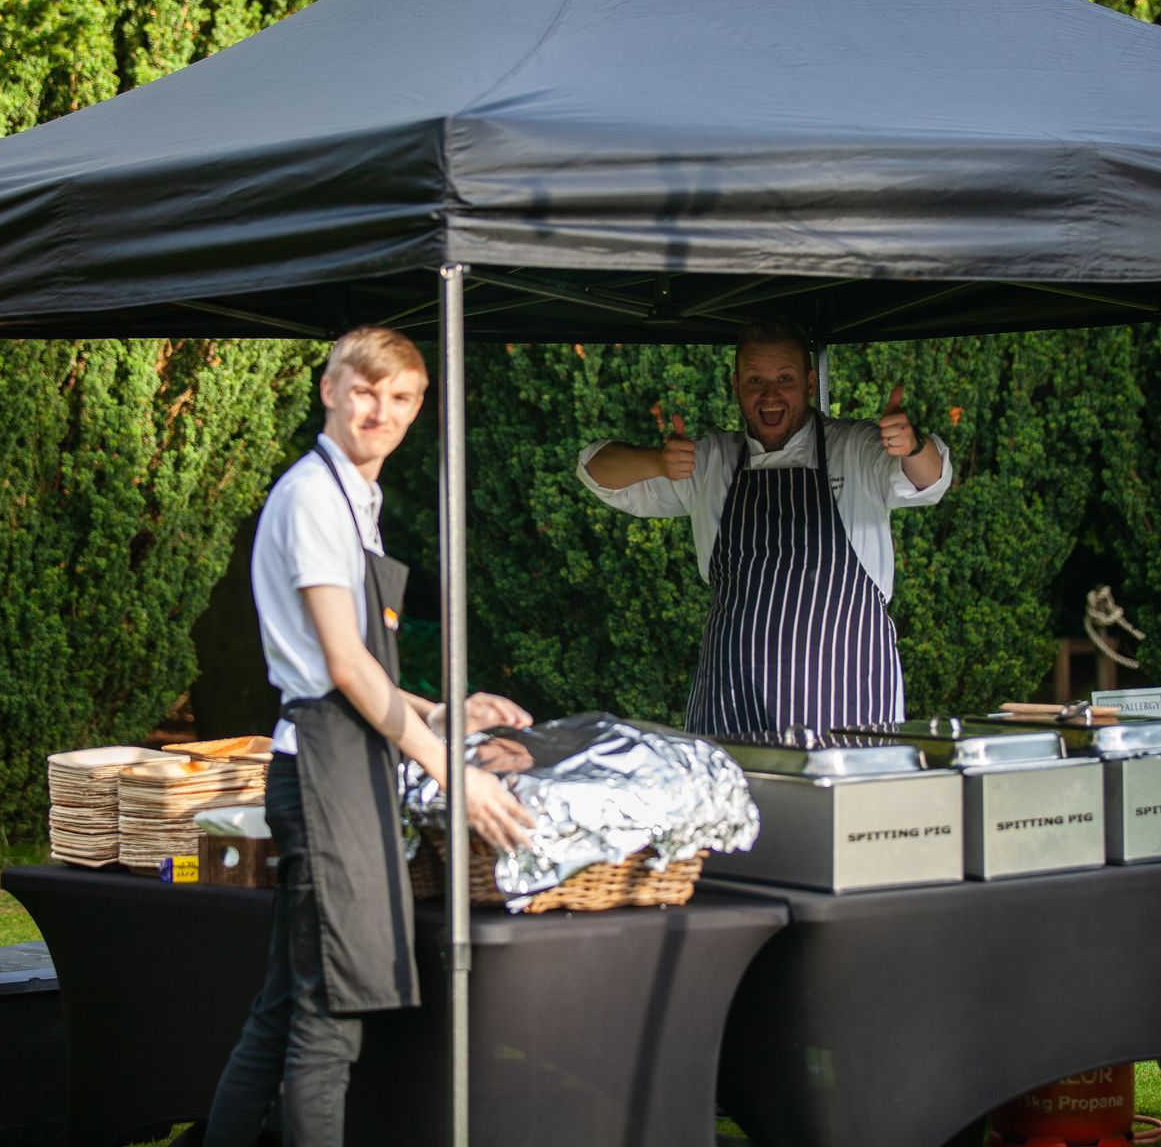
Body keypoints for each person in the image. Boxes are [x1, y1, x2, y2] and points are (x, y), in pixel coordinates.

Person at [204, 326, 537, 1147]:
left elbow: (355, 669)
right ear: (328, 389)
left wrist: (446, 710)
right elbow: (346, 673)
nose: (378, 411)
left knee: (283, 1006)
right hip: (322, 774)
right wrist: (458, 778)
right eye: (363, 391)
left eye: (398, 398)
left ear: (419, 408)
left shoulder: (356, 494)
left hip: (341, 763)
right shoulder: (315, 498)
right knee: (329, 1025)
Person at [577, 321, 951, 736]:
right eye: (756, 380)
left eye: (785, 379)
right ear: (736, 385)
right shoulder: (712, 460)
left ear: (810, 383)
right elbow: (595, 470)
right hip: (732, 699)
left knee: (839, 802)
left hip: (844, 698)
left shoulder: (856, 448)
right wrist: (656, 463)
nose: (770, 395)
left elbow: (931, 479)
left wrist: (912, 447)